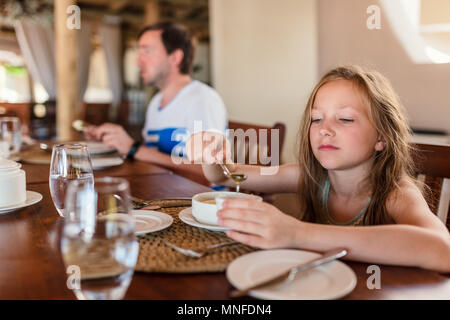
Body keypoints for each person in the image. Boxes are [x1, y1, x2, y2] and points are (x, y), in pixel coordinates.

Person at [186, 65, 450, 273]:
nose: (325, 128)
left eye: (344, 118)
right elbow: (226, 176)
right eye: (316, 119)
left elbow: (443, 249)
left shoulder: (396, 192)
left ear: (381, 137)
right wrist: (213, 151)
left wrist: (297, 233)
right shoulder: (308, 176)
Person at [85, 22, 227, 181]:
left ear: (175, 57)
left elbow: (210, 173)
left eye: (147, 51)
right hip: (161, 192)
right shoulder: (156, 102)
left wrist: (134, 148)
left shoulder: (202, 99)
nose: (138, 62)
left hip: (195, 200)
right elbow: (149, 154)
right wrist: (113, 141)